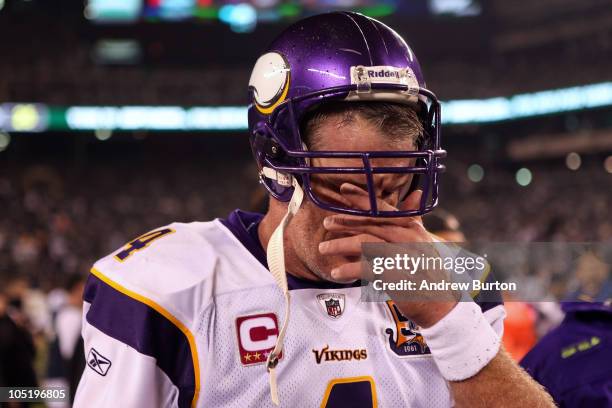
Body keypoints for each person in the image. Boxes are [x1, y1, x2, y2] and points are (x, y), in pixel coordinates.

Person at [74, 12, 553, 407]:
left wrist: (449, 321)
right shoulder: (167, 288)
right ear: (278, 163)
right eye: (347, 187)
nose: (372, 214)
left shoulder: (460, 282)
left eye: (391, 187)